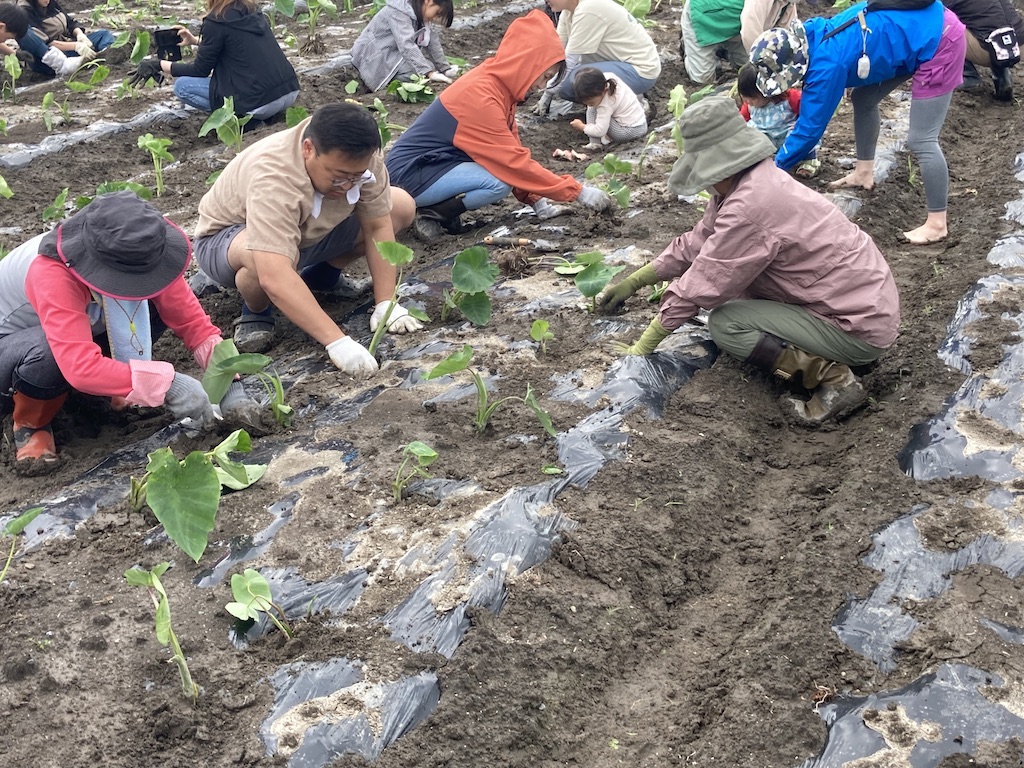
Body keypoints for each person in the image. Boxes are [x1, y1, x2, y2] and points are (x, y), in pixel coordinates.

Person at [600, 95, 900, 426]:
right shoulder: (751, 180)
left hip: (856, 325)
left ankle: (831, 380)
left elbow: (704, 282)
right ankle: (831, 359)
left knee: (727, 324)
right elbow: (698, 242)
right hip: (859, 303)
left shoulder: (750, 206)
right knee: (737, 299)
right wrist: (636, 281)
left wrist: (643, 346)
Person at [0, 192, 260, 474]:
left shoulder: (140, 252)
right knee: (48, 353)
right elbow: (79, 367)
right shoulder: (51, 271)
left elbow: (194, 324)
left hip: (74, 335)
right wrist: (169, 384)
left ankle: (108, 387)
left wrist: (230, 385)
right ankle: (31, 424)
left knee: (154, 302)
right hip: (13, 352)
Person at [191, 102, 421, 378]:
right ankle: (256, 310)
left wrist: (386, 302)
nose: (348, 185)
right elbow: (273, 273)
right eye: (339, 177)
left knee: (400, 206)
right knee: (259, 257)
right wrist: (338, 342)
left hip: (302, 234)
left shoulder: (362, 155)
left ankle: (322, 277)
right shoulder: (274, 176)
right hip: (226, 239)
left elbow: (377, 225)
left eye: (356, 177)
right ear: (308, 149)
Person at [385, 10, 614, 241]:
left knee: (500, 174)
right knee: (498, 182)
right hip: (407, 177)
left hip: (434, 166)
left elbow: (513, 151)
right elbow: (513, 164)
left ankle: (437, 210)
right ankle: (429, 214)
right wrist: (578, 192)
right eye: (545, 76)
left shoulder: (499, 89)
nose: (542, 86)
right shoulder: (482, 97)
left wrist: (539, 203)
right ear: (527, 65)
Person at [749, 4, 967, 245]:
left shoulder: (826, 66)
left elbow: (809, 130)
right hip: (917, 28)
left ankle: (937, 224)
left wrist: (773, 169)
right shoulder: (810, 35)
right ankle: (864, 173)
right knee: (863, 98)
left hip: (940, 40)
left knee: (922, 140)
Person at [129, 0, 299, 121]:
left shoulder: (216, 21)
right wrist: (195, 41)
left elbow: (200, 70)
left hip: (258, 103)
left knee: (182, 86)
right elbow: (234, 44)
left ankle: (241, 117)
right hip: (288, 91)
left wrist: (158, 64)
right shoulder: (251, 9)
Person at [534, 0, 661, 117]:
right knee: (566, 81)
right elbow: (558, 53)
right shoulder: (568, 12)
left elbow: (570, 62)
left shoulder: (588, 10)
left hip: (639, 71)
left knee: (572, 83)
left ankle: (632, 107)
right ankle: (623, 97)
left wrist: (547, 93)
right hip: (620, 65)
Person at [680, 0, 796, 85]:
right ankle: (689, 51)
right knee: (702, 80)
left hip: (735, 30)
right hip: (705, 19)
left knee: (745, 67)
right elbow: (749, 31)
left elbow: (786, 35)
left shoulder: (788, 4)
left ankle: (722, 49)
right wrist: (764, 65)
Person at [350, 0, 457, 92]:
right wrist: (429, 73)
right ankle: (385, 85)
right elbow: (406, 44)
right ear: (428, 1)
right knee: (416, 73)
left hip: (392, 54)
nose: (435, 18)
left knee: (427, 66)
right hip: (372, 56)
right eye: (438, 13)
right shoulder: (398, 11)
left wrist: (445, 69)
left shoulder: (420, 13)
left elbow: (433, 43)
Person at [736, 62, 819, 178]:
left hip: (785, 134)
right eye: (744, 98)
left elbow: (809, 112)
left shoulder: (790, 98)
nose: (748, 102)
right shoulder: (749, 105)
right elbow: (742, 120)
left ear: (767, 91)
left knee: (801, 135)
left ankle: (809, 161)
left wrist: (800, 123)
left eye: (753, 98)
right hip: (765, 137)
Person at [944, 0, 1022, 101]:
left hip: (989, 50)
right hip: (1018, 45)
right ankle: (1002, 75)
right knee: (986, 17)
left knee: (943, 20)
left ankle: (968, 76)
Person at [15, 0, 113, 79]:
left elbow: (70, 23)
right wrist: (76, 46)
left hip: (65, 44)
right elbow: (43, 43)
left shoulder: (49, 3)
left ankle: (107, 56)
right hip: (47, 56)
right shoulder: (24, 11)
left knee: (103, 34)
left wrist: (79, 35)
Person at [569, 66, 648, 151]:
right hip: (641, 124)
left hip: (627, 132)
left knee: (593, 109)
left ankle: (594, 144)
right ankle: (597, 142)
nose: (589, 105)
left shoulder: (605, 104)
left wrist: (582, 127)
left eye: (591, 102)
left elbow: (600, 131)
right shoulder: (608, 78)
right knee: (594, 107)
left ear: (605, 90)